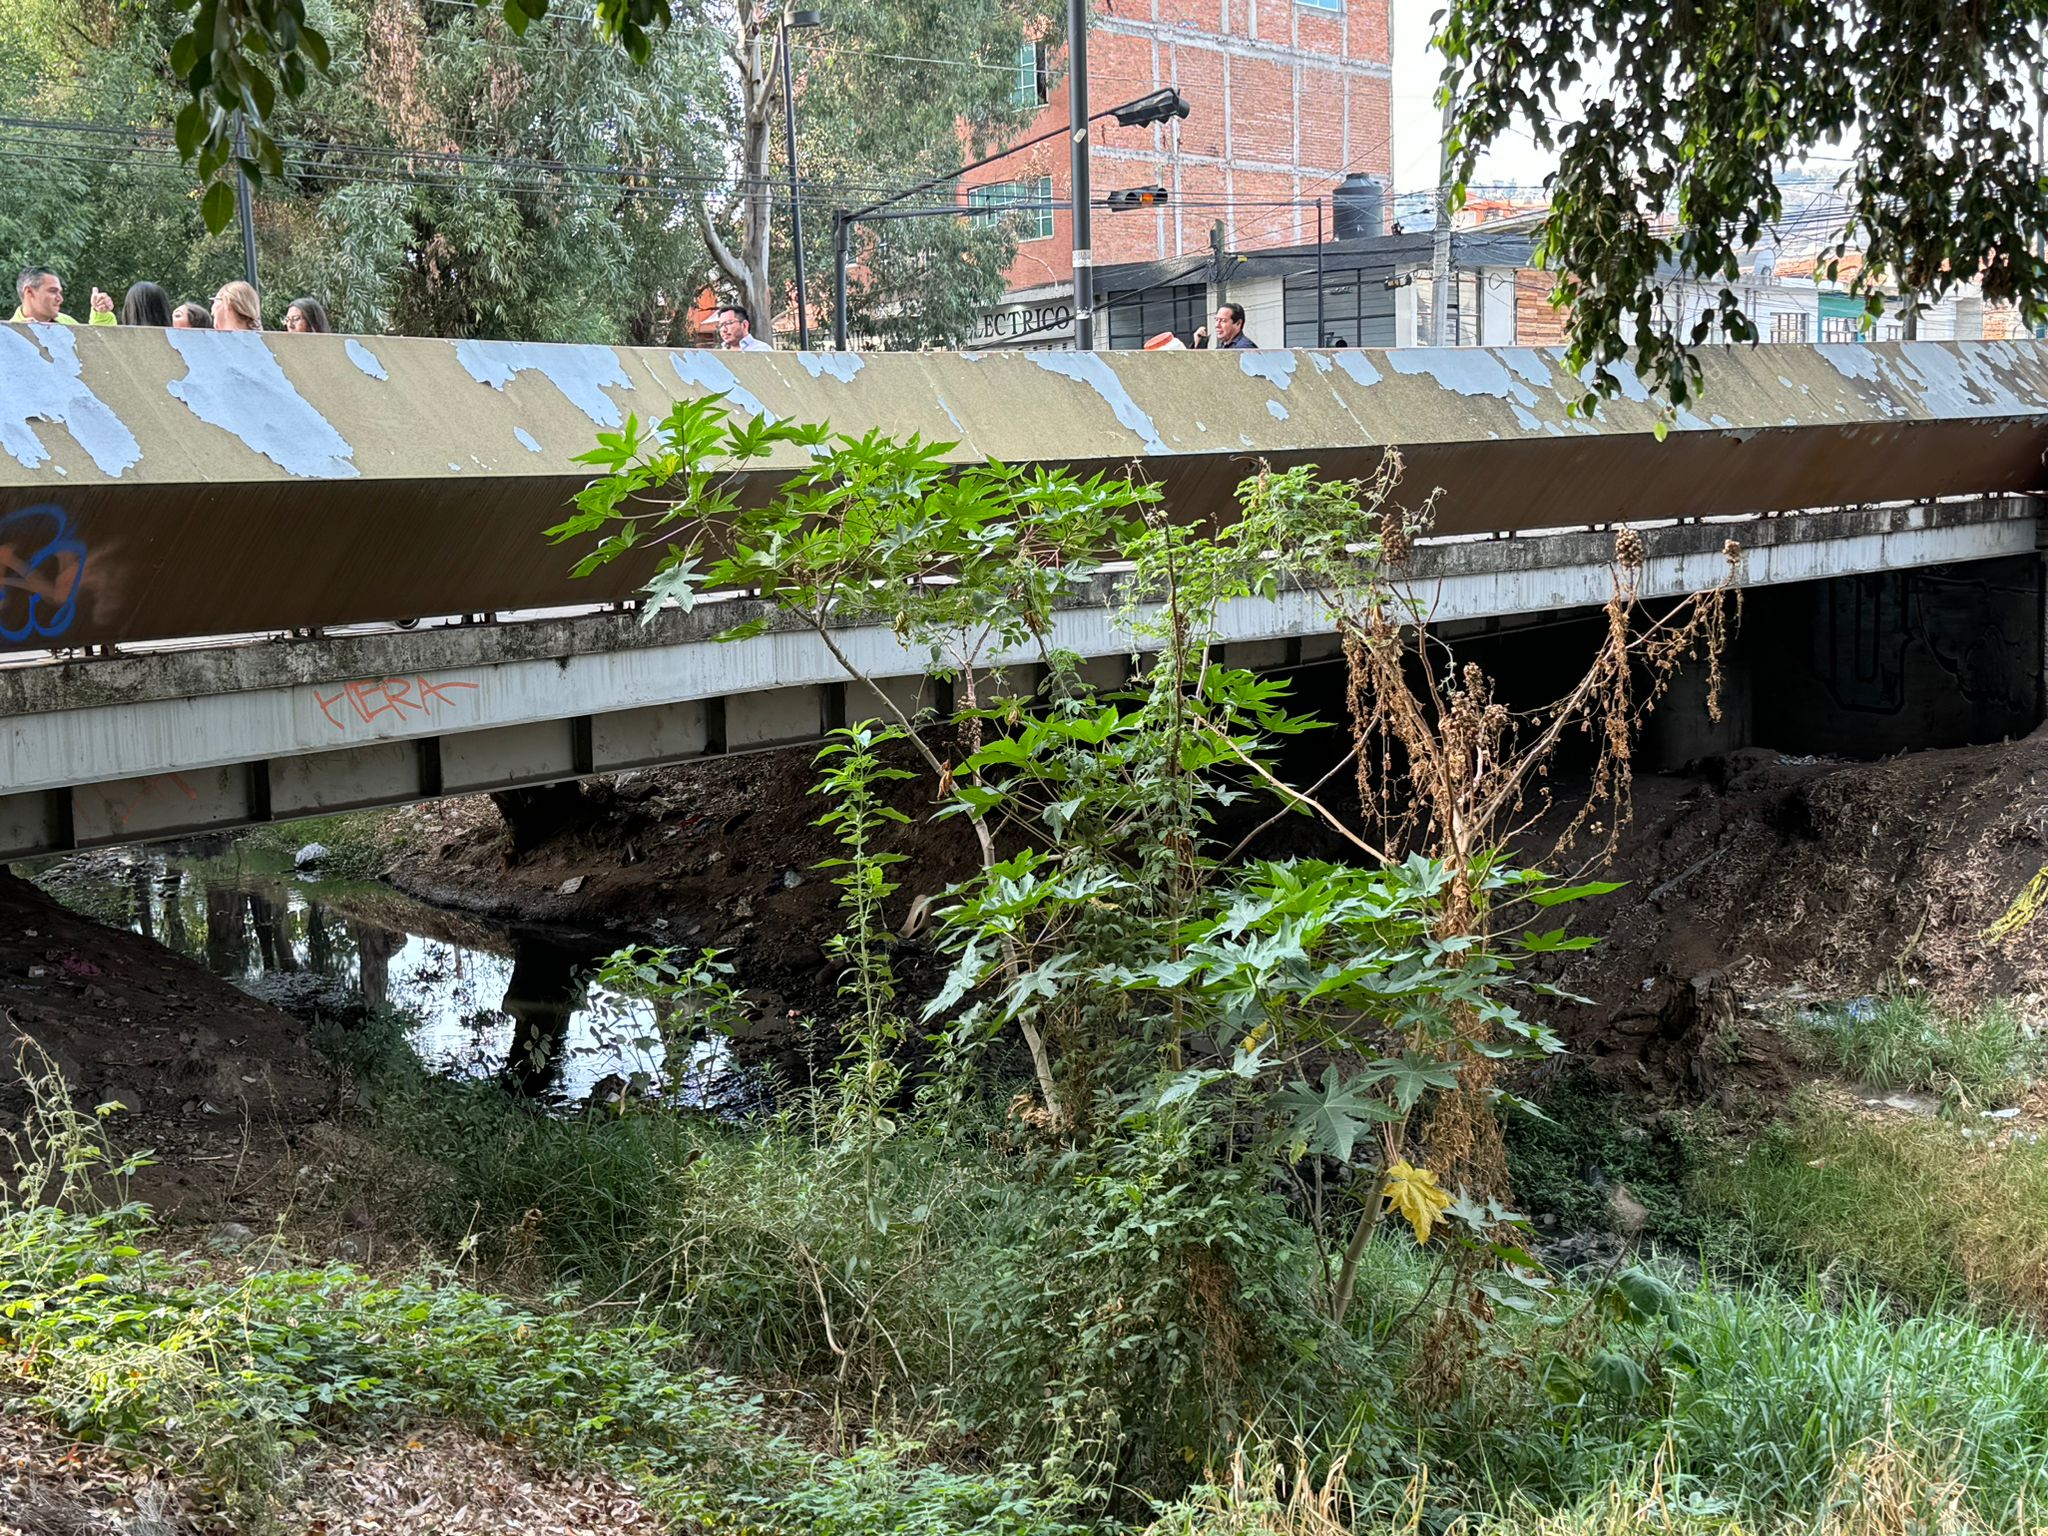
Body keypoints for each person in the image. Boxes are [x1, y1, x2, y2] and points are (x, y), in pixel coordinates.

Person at [11, 267, 115, 327]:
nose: (60, 299)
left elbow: (97, 344)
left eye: (60, 292)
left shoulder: (67, 322)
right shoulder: (7, 335)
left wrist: (101, 314)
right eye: (52, 291)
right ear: (29, 292)